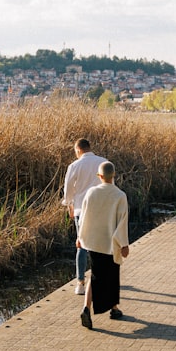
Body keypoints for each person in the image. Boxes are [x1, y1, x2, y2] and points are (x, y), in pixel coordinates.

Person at [78, 161, 130, 329]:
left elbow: (84, 216)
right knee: (112, 274)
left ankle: (87, 307)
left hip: (93, 241)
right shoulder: (120, 195)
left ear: (99, 176)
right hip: (111, 241)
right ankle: (113, 309)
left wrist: (80, 237)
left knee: (95, 275)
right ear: (113, 175)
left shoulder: (91, 193)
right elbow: (122, 222)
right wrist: (124, 244)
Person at [62, 138, 109, 296]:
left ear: (78, 150)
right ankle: (100, 279)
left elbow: (68, 189)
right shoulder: (103, 162)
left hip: (81, 209)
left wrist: (69, 204)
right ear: (90, 147)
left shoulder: (74, 166)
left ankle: (80, 283)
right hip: (100, 209)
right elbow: (110, 185)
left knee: (81, 245)